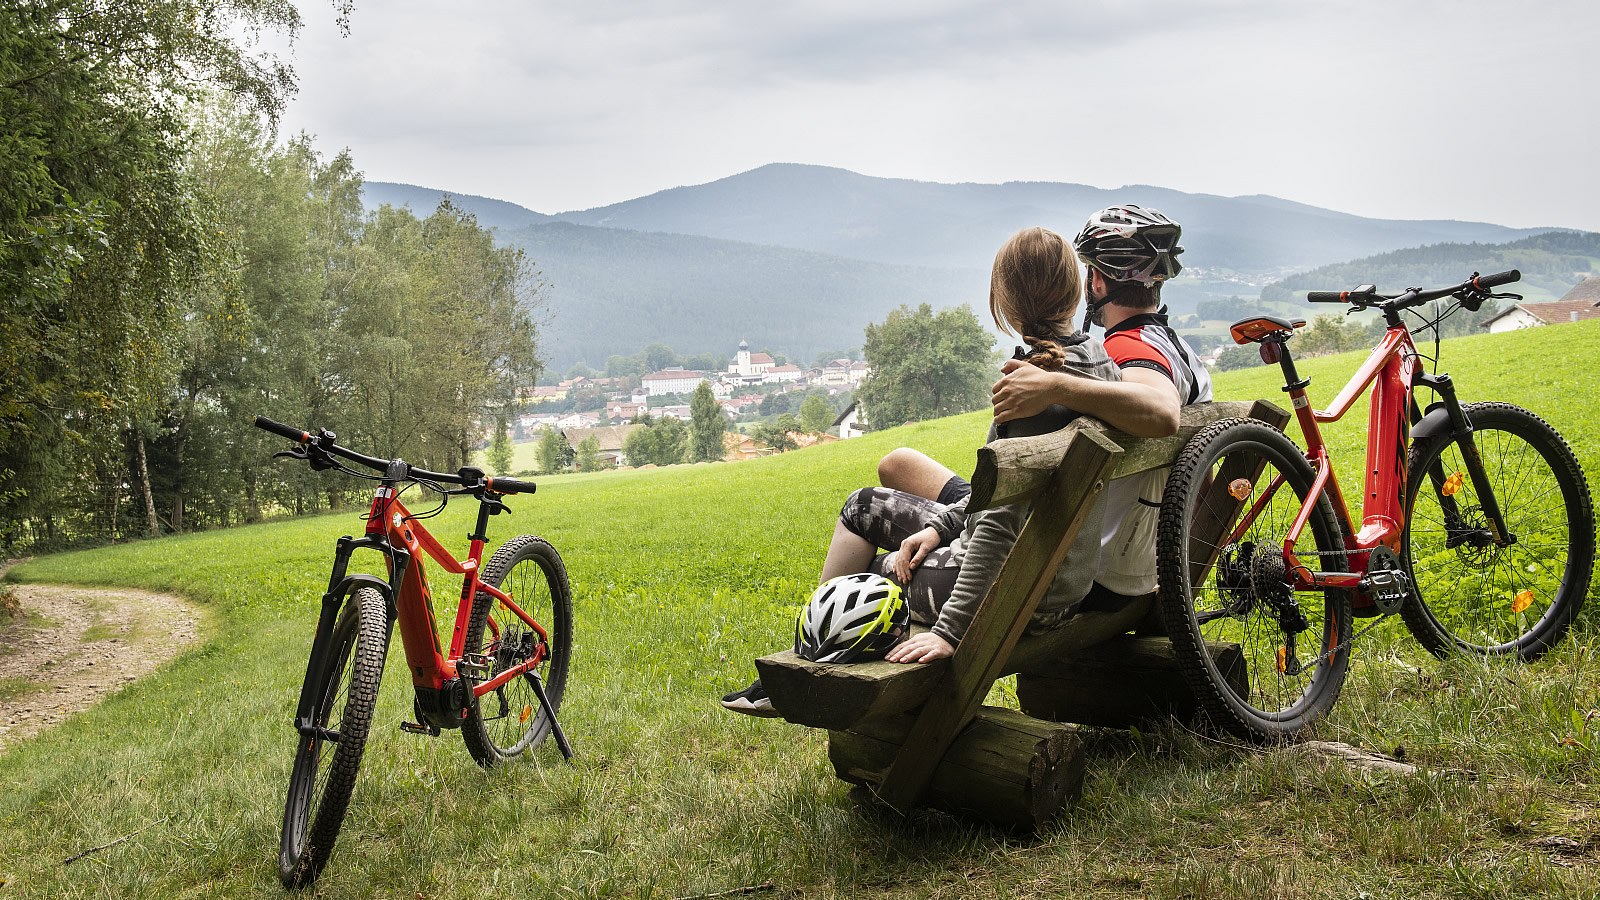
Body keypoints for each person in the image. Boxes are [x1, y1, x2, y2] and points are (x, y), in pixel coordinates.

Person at [723, 226, 1120, 715]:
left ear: (1003, 303)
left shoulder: (1031, 392)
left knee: (871, 578)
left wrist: (950, 631)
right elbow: (993, 502)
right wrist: (941, 526)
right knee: (863, 506)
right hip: (1052, 581)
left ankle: (809, 667)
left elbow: (997, 529)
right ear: (1077, 289)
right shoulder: (1100, 367)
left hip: (1022, 598)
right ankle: (810, 653)